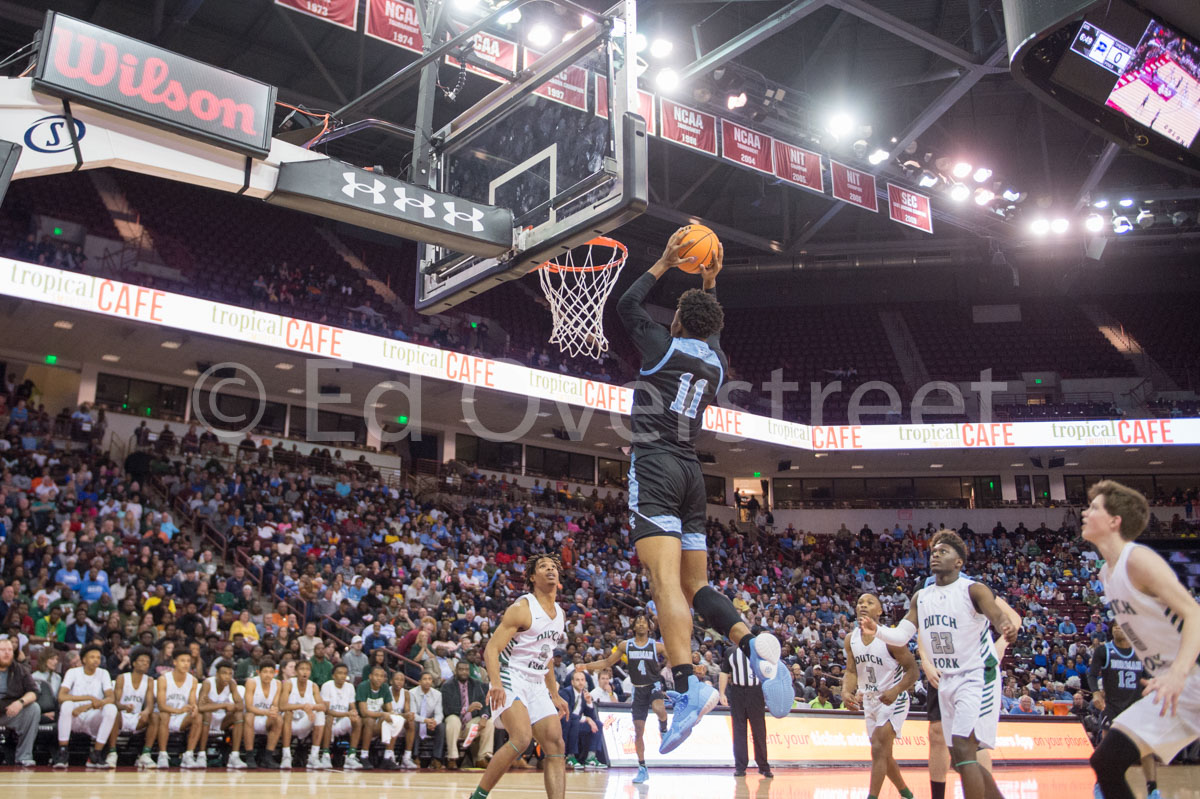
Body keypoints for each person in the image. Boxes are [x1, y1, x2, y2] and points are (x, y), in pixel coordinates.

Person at [616, 228, 789, 754]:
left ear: (677, 321)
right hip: (693, 473)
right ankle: (749, 638)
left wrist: (666, 262)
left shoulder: (661, 346)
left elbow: (626, 303)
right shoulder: (714, 361)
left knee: (664, 582)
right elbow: (711, 328)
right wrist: (710, 281)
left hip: (657, 466)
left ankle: (688, 685)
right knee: (696, 586)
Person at [861, 530, 1017, 799]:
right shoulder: (921, 596)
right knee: (958, 757)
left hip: (977, 676)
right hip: (947, 680)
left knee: (965, 748)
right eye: (933, 551)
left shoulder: (974, 589)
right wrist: (879, 630)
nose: (935, 554)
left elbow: (996, 614)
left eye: (943, 551)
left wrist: (1004, 625)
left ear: (959, 562)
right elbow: (902, 635)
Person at [1083, 481, 1200, 799]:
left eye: (1094, 508)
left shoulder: (1137, 560)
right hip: (1175, 687)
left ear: (1114, 521)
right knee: (1106, 761)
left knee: (1107, 761)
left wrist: (1176, 673)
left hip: (1187, 676)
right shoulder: (1107, 573)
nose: (1084, 512)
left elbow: (1194, 614)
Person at [467, 554, 570, 799]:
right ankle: (478, 796)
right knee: (522, 738)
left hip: (536, 682)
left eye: (553, 566)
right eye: (543, 567)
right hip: (510, 675)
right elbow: (491, 648)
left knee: (556, 745)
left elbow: (546, 657)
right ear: (533, 577)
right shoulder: (522, 608)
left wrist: (554, 694)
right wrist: (496, 683)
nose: (550, 569)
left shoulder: (560, 615)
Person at [843, 594, 919, 799]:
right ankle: (907, 794)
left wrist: (896, 690)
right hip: (870, 700)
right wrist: (846, 691)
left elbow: (913, 671)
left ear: (880, 611)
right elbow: (851, 671)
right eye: (860, 602)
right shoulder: (851, 639)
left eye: (869, 603)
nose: (863, 605)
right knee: (884, 754)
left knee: (878, 746)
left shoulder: (890, 639)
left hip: (894, 698)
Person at [575, 615, 667, 783]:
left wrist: (692, 667)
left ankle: (664, 729)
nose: (640, 624)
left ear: (649, 627)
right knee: (638, 732)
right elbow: (607, 662)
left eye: (643, 622)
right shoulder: (626, 645)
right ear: (633, 626)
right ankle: (642, 767)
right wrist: (586, 666)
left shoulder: (657, 646)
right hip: (638, 690)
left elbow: (675, 660)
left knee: (659, 708)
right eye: (637, 621)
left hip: (653, 685)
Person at [1088, 623, 1159, 798]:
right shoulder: (1104, 651)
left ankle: (1153, 791)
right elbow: (1091, 674)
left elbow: (1146, 678)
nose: (1117, 628)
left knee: (1146, 749)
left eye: (1121, 626)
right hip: (1112, 706)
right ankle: (1100, 785)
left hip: (1136, 707)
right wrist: (1096, 693)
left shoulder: (1141, 653)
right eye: (1114, 626)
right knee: (1105, 751)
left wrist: (1151, 685)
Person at [55, 643, 118, 768]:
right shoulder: (72, 672)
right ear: (84, 659)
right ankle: (63, 753)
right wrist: (89, 697)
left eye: (98, 657)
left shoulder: (103, 673)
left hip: (92, 717)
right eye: (92, 657)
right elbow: (61, 697)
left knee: (111, 708)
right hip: (74, 716)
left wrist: (86, 706)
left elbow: (111, 698)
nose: (96, 660)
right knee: (66, 705)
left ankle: (96, 754)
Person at [719, 633, 773, 779]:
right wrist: (722, 693)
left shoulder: (760, 652)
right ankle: (740, 766)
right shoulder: (730, 652)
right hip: (737, 692)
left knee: (759, 731)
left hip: (755, 692)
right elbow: (724, 672)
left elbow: (770, 672)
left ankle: (763, 766)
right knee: (739, 730)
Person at [194, 658, 247, 769]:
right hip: (207, 718)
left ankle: (235, 756)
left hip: (222, 719)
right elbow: (201, 707)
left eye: (230, 674)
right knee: (207, 713)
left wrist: (213, 704)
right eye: (224, 673)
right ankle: (202, 755)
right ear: (217, 674)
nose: (227, 676)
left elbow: (240, 706)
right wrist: (223, 705)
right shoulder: (208, 683)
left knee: (239, 715)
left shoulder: (232, 683)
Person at [442, 659, 493, 770]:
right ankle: (452, 758)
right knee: (452, 720)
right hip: (456, 724)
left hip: (470, 725)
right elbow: (447, 709)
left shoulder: (476, 684)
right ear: (456, 671)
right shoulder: (447, 686)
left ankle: (482, 758)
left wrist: (484, 717)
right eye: (461, 669)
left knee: (490, 722)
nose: (464, 672)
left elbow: (484, 704)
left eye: (466, 670)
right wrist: (466, 709)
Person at [110, 647, 157, 769]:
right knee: (112, 712)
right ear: (134, 663)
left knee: (155, 716)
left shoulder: (150, 680)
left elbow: (150, 703)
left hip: (137, 717)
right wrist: (123, 706)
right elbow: (114, 702)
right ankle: (112, 752)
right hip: (121, 716)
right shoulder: (122, 678)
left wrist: (146, 711)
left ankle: (145, 754)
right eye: (142, 660)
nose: (145, 663)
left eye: (147, 662)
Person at [156, 649, 198, 769]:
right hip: (165, 715)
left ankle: (188, 755)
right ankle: (163, 755)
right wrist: (179, 711)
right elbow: (161, 705)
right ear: (174, 662)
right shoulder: (163, 679)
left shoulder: (193, 680)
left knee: (198, 717)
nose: (186, 664)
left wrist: (194, 708)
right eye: (182, 661)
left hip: (181, 718)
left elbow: (191, 702)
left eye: (188, 661)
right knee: (164, 715)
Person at [280, 658, 326, 770]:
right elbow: (282, 706)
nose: (305, 672)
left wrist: (312, 707)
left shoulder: (313, 686)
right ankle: (286, 756)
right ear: (296, 671)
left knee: (320, 715)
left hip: (304, 722)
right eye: (302, 669)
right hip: (288, 723)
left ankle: (313, 756)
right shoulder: (289, 684)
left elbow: (323, 706)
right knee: (288, 713)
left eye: (307, 669)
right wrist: (302, 706)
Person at [0, 637, 39, 767]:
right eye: (3, 650)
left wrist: (20, 702)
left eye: (10, 650)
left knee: (33, 708)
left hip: (9, 713)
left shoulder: (20, 669)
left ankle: (24, 756)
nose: (7, 653)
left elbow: (33, 692)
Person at [319, 663, 364, 770]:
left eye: (345, 673)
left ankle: (351, 756)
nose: (343, 676)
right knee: (329, 718)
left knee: (357, 720)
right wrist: (347, 714)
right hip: (329, 722)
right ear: (333, 675)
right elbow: (327, 711)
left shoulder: (350, 687)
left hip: (342, 721)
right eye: (340, 673)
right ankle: (325, 755)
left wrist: (353, 713)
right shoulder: (327, 686)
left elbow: (352, 707)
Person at [559, 670, 604, 770]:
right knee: (574, 722)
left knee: (598, 724)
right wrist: (586, 719)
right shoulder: (565, 692)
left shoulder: (585, 694)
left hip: (576, 723)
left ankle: (591, 758)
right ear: (572, 682)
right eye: (577, 680)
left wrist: (589, 703)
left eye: (582, 680)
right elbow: (568, 714)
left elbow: (592, 718)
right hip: (564, 724)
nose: (580, 682)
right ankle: (570, 756)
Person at [242, 659, 282, 769]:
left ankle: (268, 757)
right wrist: (266, 712)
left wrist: (273, 712)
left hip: (267, 719)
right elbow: (249, 707)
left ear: (275, 673)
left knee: (278, 719)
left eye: (270, 672)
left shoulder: (278, 684)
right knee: (249, 716)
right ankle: (249, 756)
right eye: (265, 672)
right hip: (252, 718)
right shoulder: (252, 682)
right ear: (258, 672)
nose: (268, 675)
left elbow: (275, 705)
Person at [357, 664, 393, 770]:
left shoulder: (385, 688)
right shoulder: (363, 686)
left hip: (376, 722)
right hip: (361, 722)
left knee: (393, 720)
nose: (379, 678)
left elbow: (389, 709)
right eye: (376, 675)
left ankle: (388, 757)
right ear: (370, 676)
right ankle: (364, 756)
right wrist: (382, 714)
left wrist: (391, 715)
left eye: (382, 676)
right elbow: (363, 712)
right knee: (369, 720)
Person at [407, 671, 445, 769]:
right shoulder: (412, 693)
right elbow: (413, 714)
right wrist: (425, 721)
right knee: (413, 724)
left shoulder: (437, 694)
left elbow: (439, 714)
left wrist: (434, 722)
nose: (427, 681)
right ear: (419, 682)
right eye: (425, 679)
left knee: (441, 726)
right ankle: (415, 756)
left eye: (429, 679)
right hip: (419, 722)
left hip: (430, 725)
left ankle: (436, 758)